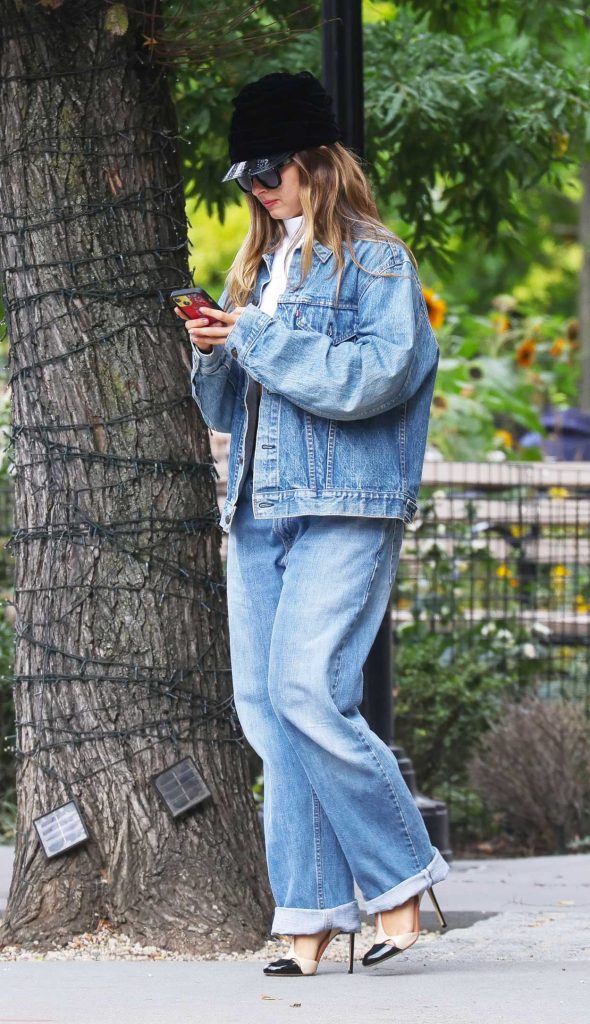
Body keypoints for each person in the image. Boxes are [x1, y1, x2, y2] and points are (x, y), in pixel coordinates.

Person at [178, 70, 451, 977]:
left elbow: (375, 379)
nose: (258, 187)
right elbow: (233, 413)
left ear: (317, 162)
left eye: (270, 167)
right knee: (268, 712)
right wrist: (216, 344)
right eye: (245, 174)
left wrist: (253, 336)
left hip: (344, 504)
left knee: (305, 690)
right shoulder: (257, 266)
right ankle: (308, 913)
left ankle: (402, 880)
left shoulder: (378, 261)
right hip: (259, 504)